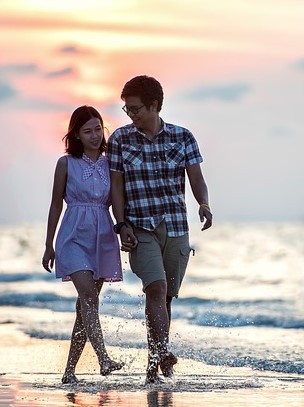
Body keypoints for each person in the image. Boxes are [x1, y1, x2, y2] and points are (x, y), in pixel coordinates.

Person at [107, 75, 212, 383]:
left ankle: (155, 364)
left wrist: (203, 204)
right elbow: (116, 187)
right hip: (140, 227)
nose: (130, 115)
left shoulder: (183, 137)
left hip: (176, 226)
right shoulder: (120, 139)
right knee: (155, 288)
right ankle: (163, 353)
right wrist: (121, 223)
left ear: (153, 105)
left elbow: (197, 179)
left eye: (136, 109)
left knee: (164, 299)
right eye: (126, 109)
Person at [42, 105, 124, 384]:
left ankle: (69, 372)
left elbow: (119, 200)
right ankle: (104, 359)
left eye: (97, 129)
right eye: (86, 131)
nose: (93, 135)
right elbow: (55, 204)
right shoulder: (65, 163)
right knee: (88, 297)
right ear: (75, 134)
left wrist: (126, 229)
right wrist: (48, 244)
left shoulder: (111, 161)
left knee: (85, 307)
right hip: (73, 236)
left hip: (102, 235)